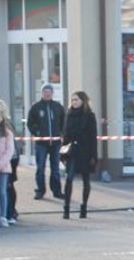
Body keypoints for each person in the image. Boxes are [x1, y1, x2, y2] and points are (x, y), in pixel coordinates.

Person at [60, 91, 98, 220]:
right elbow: (65, 133)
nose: (74, 102)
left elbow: (93, 137)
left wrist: (93, 155)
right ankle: (66, 209)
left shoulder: (89, 115)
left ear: (83, 101)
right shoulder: (69, 114)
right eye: (72, 100)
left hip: (85, 152)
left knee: (85, 179)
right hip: (72, 152)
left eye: (76, 100)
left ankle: (84, 207)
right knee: (69, 179)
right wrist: (63, 151)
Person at [27, 84, 64, 200]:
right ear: (42, 93)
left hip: (55, 143)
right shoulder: (36, 107)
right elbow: (30, 123)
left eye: (49, 91)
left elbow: (63, 122)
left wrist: (61, 134)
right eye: (45, 91)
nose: (47, 93)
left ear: (52, 93)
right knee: (40, 167)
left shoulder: (58, 107)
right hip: (41, 144)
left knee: (55, 168)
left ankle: (57, 191)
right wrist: (37, 133)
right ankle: (40, 190)